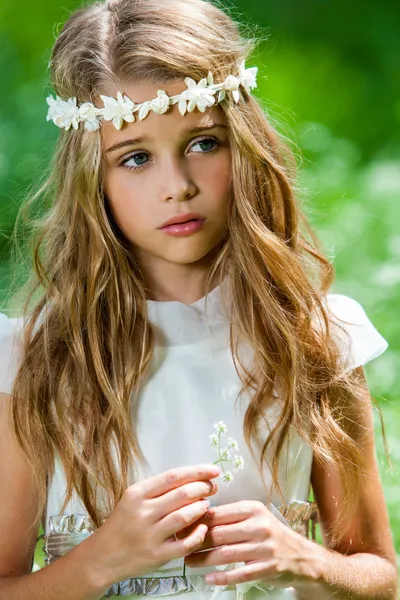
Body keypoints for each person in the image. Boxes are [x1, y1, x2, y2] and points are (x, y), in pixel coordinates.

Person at [0, 0, 397, 598]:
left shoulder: (317, 339)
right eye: (135, 158)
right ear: (92, 179)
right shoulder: (36, 360)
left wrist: (307, 562)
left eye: (204, 144)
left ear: (244, 146)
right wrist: (102, 560)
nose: (178, 186)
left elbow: (380, 577)